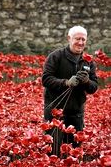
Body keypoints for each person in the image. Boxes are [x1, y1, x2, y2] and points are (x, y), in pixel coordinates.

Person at [42, 25, 98, 156]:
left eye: (83, 39)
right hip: (55, 111)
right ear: (69, 38)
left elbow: (94, 87)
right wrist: (66, 82)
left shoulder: (88, 62)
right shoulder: (55, 56)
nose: (80, 42)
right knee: (53, 150)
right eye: (77, 39)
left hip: (76, 112)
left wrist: (86, 82)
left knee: (74, 152)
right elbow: (45, 79)